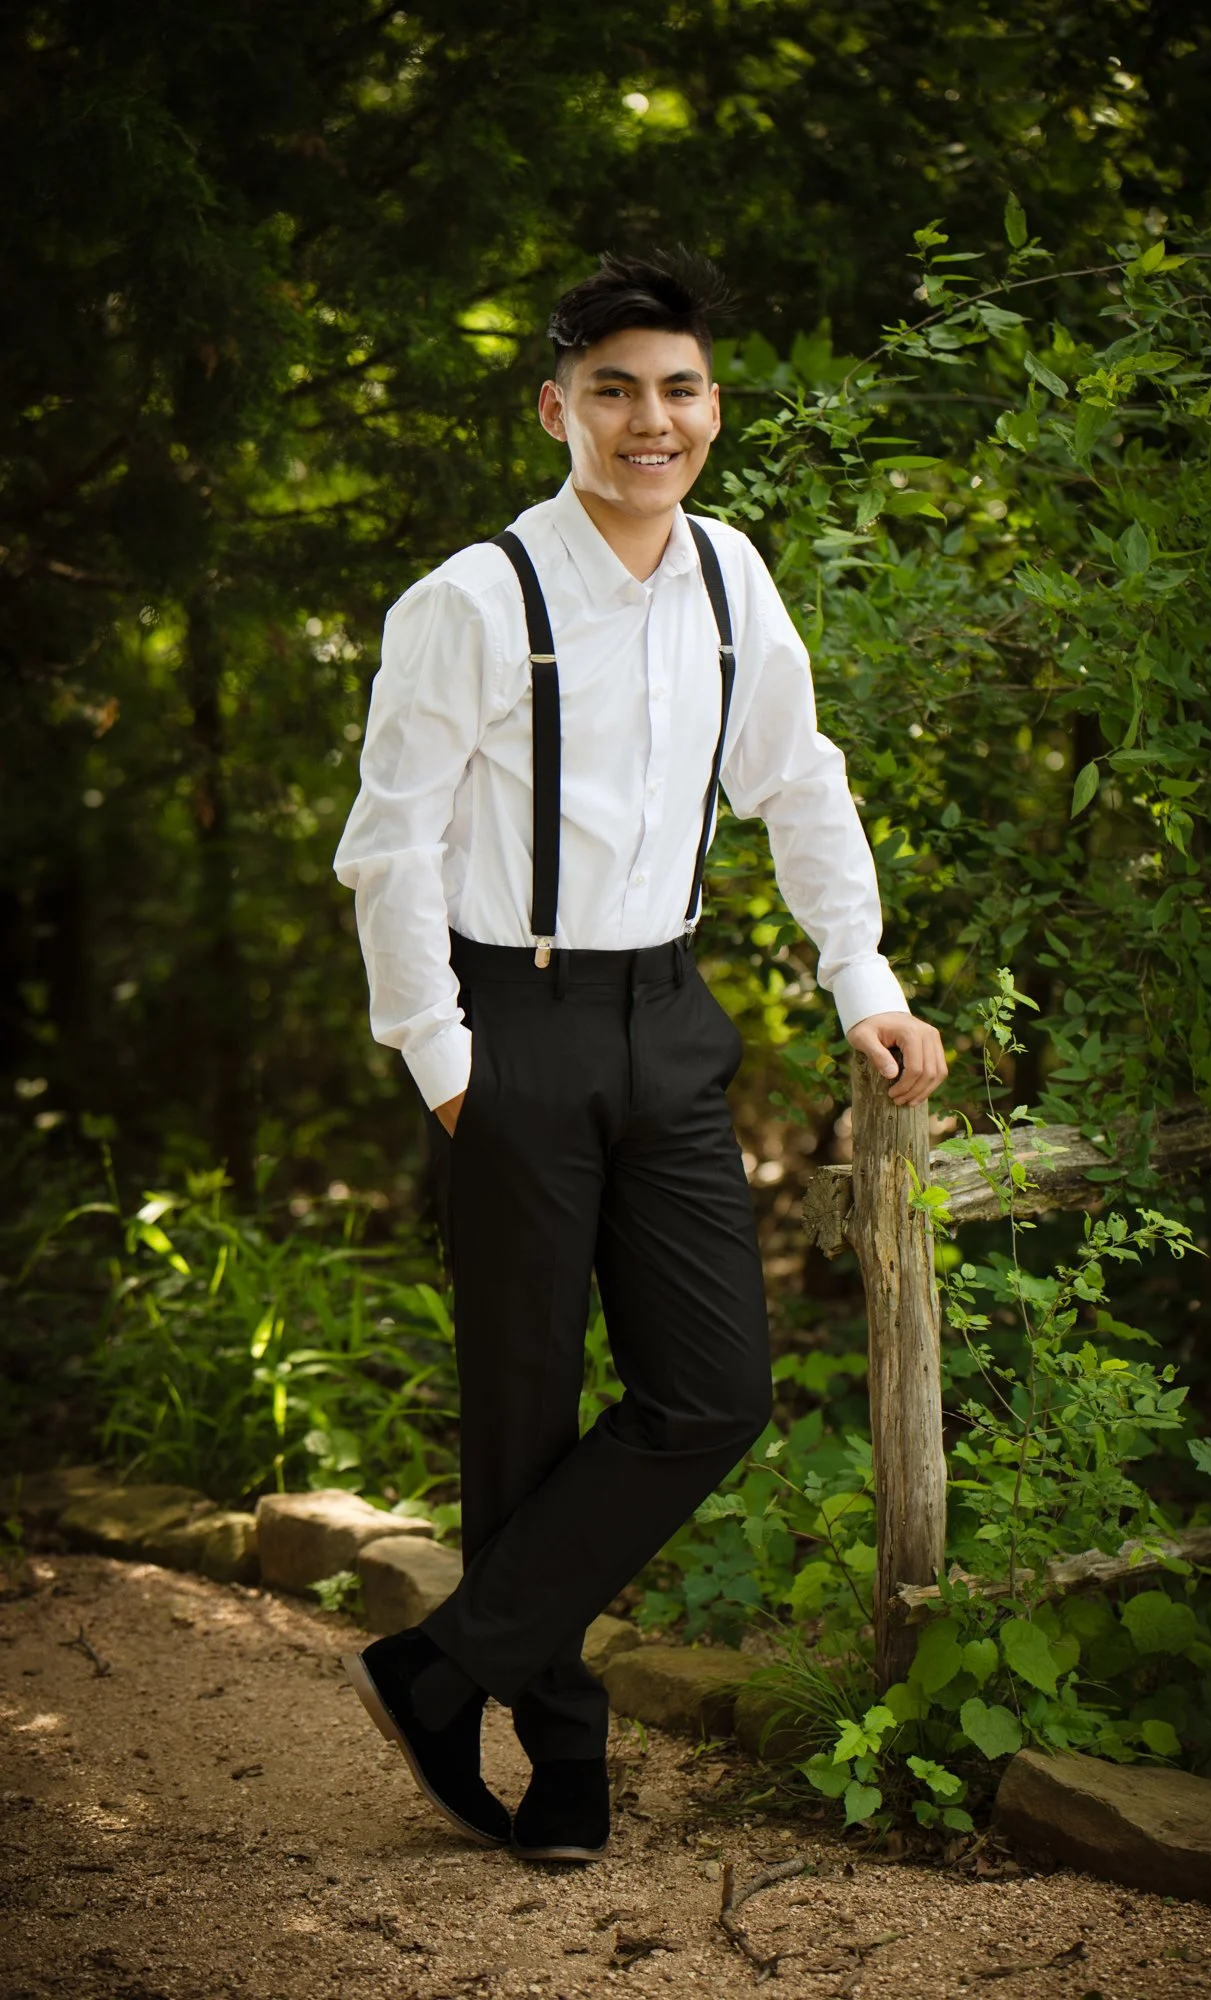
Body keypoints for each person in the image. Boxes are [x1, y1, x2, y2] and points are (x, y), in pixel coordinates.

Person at [332, 252, 947, 1864]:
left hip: (670, 1024)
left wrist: (860, 980)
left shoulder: (736, 577)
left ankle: (442, 1661)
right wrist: (443, 1062)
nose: (649, 419)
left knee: (711, 1388)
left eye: (677, 389)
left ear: (712, 407)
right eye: (613, 390)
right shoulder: (469, 600)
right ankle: (569, 1766)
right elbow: (388, 854)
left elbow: (798, 785)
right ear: (558, 408)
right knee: (524, 1412)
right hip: (507, 1024)